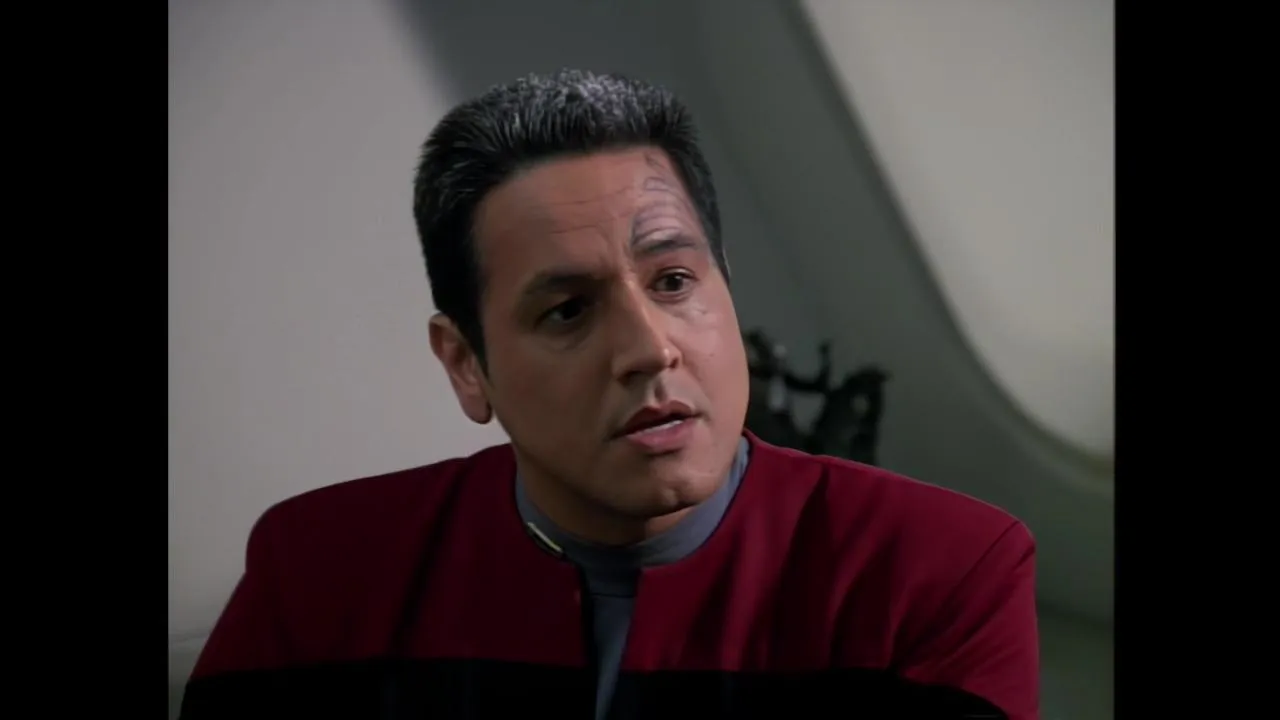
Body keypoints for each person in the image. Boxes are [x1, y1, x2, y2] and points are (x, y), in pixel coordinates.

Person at [180, 69, 1039, 720]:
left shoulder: (940, 571)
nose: (650, 348)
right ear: (466, 364)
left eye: (674, 281)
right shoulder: (320, 570)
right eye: (567, 310)